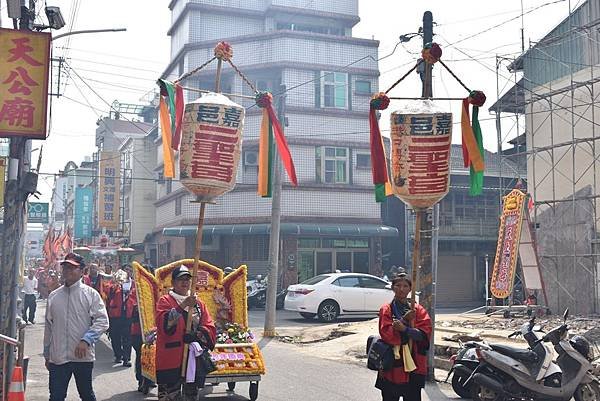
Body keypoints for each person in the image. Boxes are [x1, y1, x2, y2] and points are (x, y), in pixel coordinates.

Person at [43, 252, 109, 401]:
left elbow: (102, 321)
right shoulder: (54, 296)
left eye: (72, 267)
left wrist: (86, 340)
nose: (67, 270)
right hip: (58, 357)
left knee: (86, 395)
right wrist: (47, 354)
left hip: (82, 357)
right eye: (65, 267)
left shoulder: (91, 294)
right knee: (56, 397)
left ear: (81, 271)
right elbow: (48, 328)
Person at [156, 266, 216, 401]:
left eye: (187, 279)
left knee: (191, 396)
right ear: (173, 283)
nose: (185, 283)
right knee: (170, 396)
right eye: (180, 279)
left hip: (192, 358)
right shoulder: (165, 301)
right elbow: (164, 324)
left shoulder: (198, 303)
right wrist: (182, 305)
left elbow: (209, 326)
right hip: (170, 357)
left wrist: (197, 335)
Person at [376, 273, 432, 401]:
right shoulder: (387, 309)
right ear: (392, 288)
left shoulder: (418, 310)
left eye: (405, 286)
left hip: (414, 363)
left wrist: (405, 329)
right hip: (392, 364)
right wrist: (404, 319)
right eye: (398, 285)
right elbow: (387, 334)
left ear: (410, 289)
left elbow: (424, 334)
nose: (401, 289)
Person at [107, 267, 133, 366]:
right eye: (126, 270)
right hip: (115, 315)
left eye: (129, 270)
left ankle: (127, 358)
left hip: (128, 315)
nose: (128, 272)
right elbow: (108, 294)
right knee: (115, 336)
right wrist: (116, 285)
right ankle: (118, 355)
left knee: (127, 337)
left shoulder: (134, 284)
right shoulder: (114, 284)